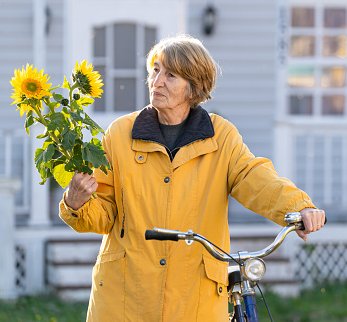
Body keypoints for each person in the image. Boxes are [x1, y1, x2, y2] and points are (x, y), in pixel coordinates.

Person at [60, 33, 326, 322]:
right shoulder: (119, 134)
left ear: (194, 87)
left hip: (194, 297)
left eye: (170, 75)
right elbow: (104, 215)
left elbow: (254, 177)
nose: (157, 81)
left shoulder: (220, 136)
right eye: (156, 70)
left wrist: (297, 206)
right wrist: (77, 204)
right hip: (125, 296)